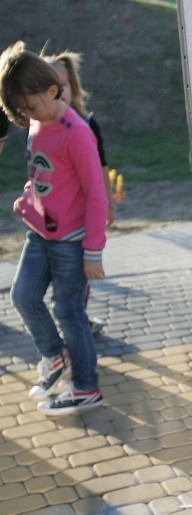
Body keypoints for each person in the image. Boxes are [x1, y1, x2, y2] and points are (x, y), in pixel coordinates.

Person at [0, 42, 109, 416]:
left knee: (68, 311)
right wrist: (28, 199)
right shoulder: (37, 122)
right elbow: (42, 174)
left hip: (72, 242)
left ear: (54, 90)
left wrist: (93, 250)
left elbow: (96, 194)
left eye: (30, 106)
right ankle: (54, 355)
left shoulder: (75, 132)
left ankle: (86, 387)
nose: (26, 114)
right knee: (23, 296)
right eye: (19, 110)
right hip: (39, 234)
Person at [44, 49, 114, 336]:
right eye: (52, 85)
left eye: (65, 84)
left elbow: (102, 169)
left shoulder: (86, 124)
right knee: (60, 275)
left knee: (79, 275)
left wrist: (109, 205)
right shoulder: (40, 127)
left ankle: (77, 318)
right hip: (53, 221)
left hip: (84, 217)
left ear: (73, 87)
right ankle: (71, 318)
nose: (60, 91)